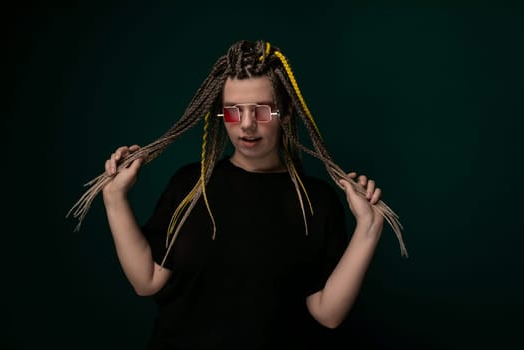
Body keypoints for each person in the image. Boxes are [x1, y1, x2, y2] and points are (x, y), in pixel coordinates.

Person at [69, 40, 407, 349]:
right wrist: (115, 199)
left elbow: (327, 313)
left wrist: (369, 227)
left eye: (261, 111)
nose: (246, 125)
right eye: (233, 111)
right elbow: (148, 281)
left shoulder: (317, 201)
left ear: (285, 113)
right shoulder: (191, 184)